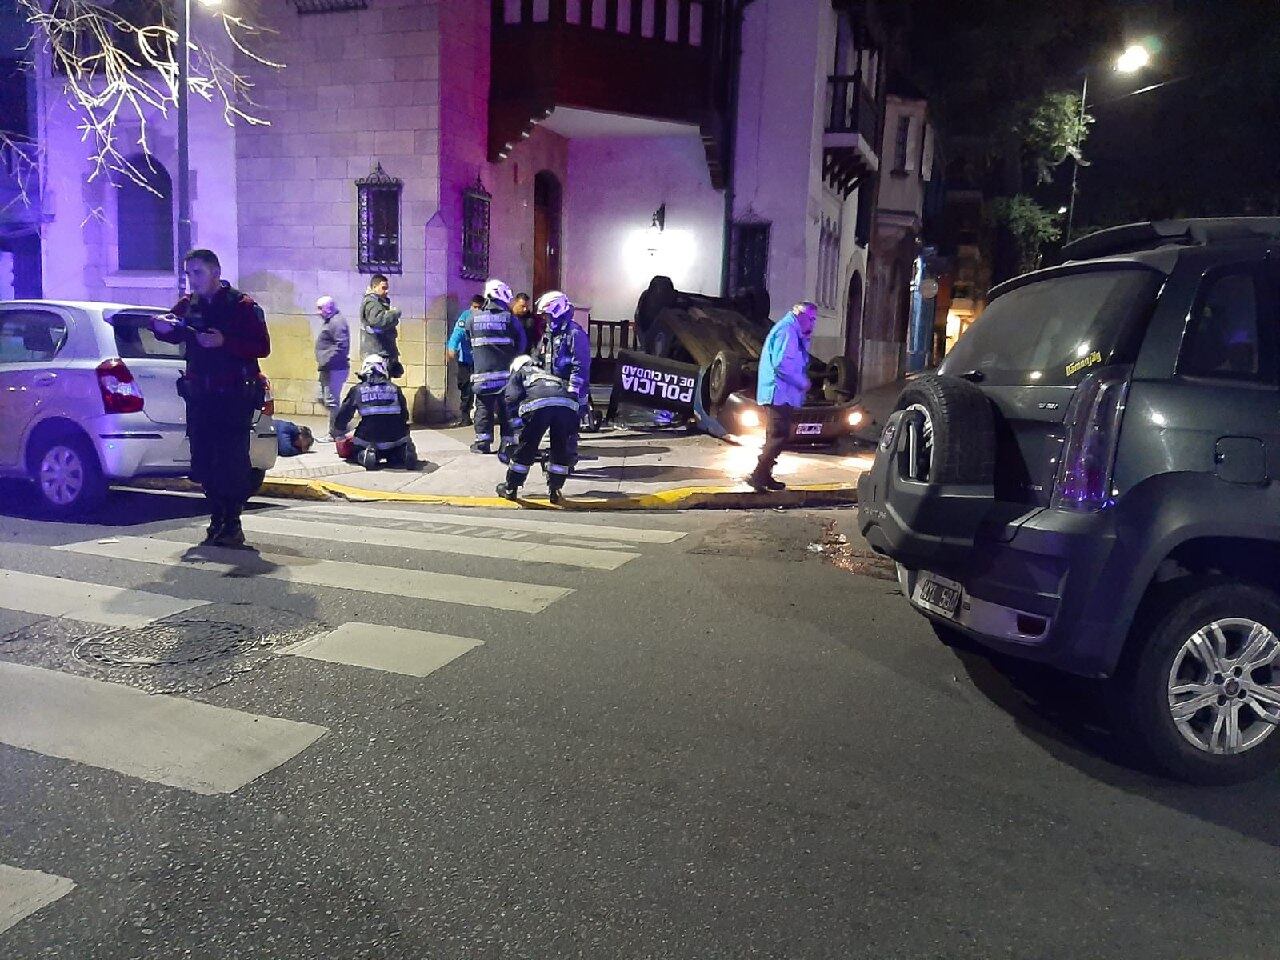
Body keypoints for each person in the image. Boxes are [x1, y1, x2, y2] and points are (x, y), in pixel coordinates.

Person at [150, 248, 271, 548]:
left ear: (215, 273)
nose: (192, 280)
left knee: (231, 462)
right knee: (204, 461)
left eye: (198, 273)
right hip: (201, 396)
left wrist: (224, 341)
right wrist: (160, 327)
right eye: (188, 274)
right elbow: (174, 330)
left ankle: (232, 521)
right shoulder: (188, 305)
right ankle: (216, 518)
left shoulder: (240, 305)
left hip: (232, 396)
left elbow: (262, 345)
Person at [748, 301, 817, 493]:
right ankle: (758, 475)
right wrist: (802, 383)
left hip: (781, 393)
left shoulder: (792, 332)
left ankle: (764, 475)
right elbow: (783, 366)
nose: (812, 324)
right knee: (778, 436)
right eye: (810, 319)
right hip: (778, 393)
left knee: (777, 435)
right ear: (799, 315)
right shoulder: (787, 332)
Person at [496, 355, 580, 505]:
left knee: (527, 447)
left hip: (539, 406)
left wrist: (517, 427)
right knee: (560, 447)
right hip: (567, 407)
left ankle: (511, 488)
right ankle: (555, 490)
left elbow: (511, 397)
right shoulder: (549, 374)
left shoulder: (519, 373)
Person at [462, 278, 527, 453]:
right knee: (507, 410)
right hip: (506, 378)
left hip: (482, 376)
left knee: (483, 408)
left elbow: (469, 343)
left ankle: (482, 443)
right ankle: (508, 444)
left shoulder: (472, 319)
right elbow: (522, 344)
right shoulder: (510, 320)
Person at [333, 354, 417, 470]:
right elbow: (404, 416)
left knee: (355, 450)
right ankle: (403, 453)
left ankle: (365, 455)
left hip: (369, 439)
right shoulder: (395, 389)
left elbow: (343, 416)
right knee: (395, 450)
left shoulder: (357, 390)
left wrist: (339, 432)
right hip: (395, 439)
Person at [535, 289, 592, 434]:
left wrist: (575, 388)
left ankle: (568, 448)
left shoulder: (574, 333)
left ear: (556, 311)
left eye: (546, 315)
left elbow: (581, 363)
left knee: (567, 429)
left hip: (569, 387)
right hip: (554, 386)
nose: (545, 319)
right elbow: (539, 354)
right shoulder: (549, 333)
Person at [313, 295, 349, 440]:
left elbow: (342, 346)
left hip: (335, 368)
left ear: (329, 308)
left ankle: (335, 432)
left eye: (320, 308)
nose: (318, 312)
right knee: (321, 397)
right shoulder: (330, 321)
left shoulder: (338, 323)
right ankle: (340, 424)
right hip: (327, 368)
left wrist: (327, 360)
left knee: (331, 401)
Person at [446, 294, 485, 426]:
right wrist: (452, 347)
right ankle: (465, 416)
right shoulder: (465, 316)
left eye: (479, 308)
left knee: (481, 389)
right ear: (471, 306)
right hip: (466, 360)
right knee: (466, 388)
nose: (476, 310)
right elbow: (458, 333)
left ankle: (480, 416)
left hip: (481, 360)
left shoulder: (486, 318)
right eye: (474, 307)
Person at [360, 274, 403, 378]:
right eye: (383, 288)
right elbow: (379, 322)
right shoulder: (372, 303)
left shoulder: (379, 302)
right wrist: (395, 313)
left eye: (387, 288)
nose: (386, 291)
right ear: (374, 287)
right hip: (377, 354)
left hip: (381, 351)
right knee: (379, 385)